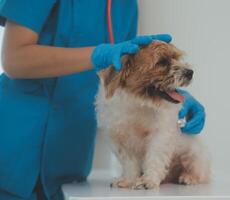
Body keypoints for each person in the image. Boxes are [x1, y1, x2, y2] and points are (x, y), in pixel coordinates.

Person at [0, 0, 206, 199]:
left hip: (70, 159)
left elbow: (129, 76)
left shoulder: (126, 5)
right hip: (18, 147)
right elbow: (13, 59)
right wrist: (96, 55)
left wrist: (169, 96)